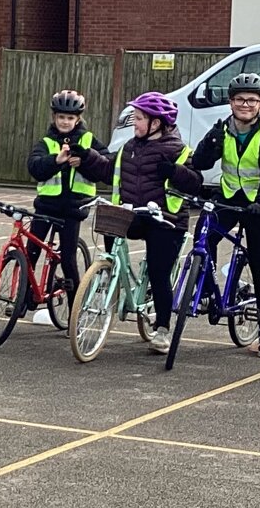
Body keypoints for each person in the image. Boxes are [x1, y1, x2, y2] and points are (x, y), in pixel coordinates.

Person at [175, 71, 260, 356]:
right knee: (204, 233)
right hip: (228, 197)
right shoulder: (223, 130)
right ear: (230, 102)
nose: (245, 104)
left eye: (252, 100)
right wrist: (209, 143)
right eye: (239, 99)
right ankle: (204, 288)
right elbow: (199, 162)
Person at [74, 92, 191, 353]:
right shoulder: (130, 148)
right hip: (136, 213)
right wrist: (86, 156)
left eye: (138, 118)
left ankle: (162, 329)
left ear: (156, 123)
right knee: (110, 225)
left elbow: (195, 182)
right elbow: (108, 171)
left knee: (160, 273)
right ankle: (110, 270)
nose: (134, 123)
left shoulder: (177, 150)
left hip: (167, 220)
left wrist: (176, 172)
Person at [23, 89, 99, 304]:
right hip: (46, 206)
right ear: (54, 117)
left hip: (73, 208)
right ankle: (24, 297)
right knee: (32, 252)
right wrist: (56, 161)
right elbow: (35, 167)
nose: (65, 122)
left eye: (70, 118)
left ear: (78, 119)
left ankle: (76, 309)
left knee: (68, 259)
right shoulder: (46, 142)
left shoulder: (87, 139)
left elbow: (106, 164)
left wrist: (84, 161)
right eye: (61, 117)